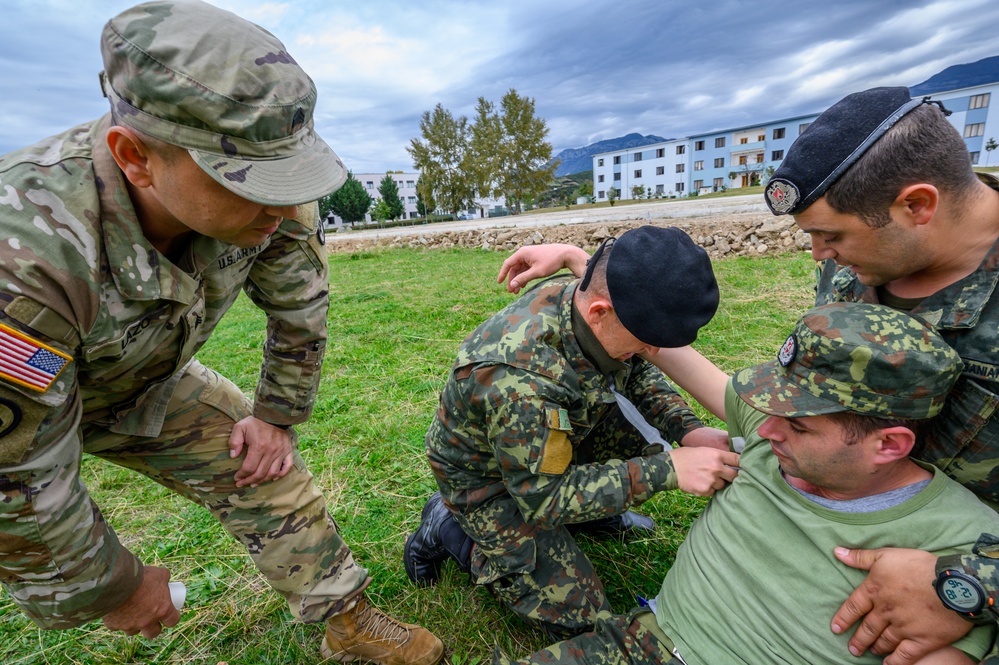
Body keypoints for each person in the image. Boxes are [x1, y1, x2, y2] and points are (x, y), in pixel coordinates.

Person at [0, 2, 443, 663]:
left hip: (136, 379)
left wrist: (275, 413)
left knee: (262, 466)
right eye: (248, 181)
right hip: (26, 411)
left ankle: (345, 623)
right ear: (136, 158)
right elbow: (15, 477)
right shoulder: (25, 251)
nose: (283, 203)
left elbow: (301, 302)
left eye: (288, 175)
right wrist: (113, 586)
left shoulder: (277, 190)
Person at [498, 86, 999, 665]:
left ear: (916, 205)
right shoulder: (860, 269)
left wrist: (966, 583)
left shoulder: (956, 538)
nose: (818, 256)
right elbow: (767, 400)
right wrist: (597, 272)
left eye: (832, 236)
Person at [497, 301, 999, 665]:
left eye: (798, 424)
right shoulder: (778, 438)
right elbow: (671, 352)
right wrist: (588, 267)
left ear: (888, 445)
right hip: (634, 647)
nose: (762, 429)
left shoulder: (963, 545)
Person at [404, 226, 740, 639]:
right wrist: (665, 470)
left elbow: (638, 376)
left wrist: (688, 431)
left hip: (547, 441)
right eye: (649, 342)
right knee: (585, 619)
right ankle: (450, 528)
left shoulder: (590, 305)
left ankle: (590, 513)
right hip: (489, 482)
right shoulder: (519, 380)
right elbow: (542, 500)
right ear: (599, 312)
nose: (655, 352)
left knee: (630, 424)